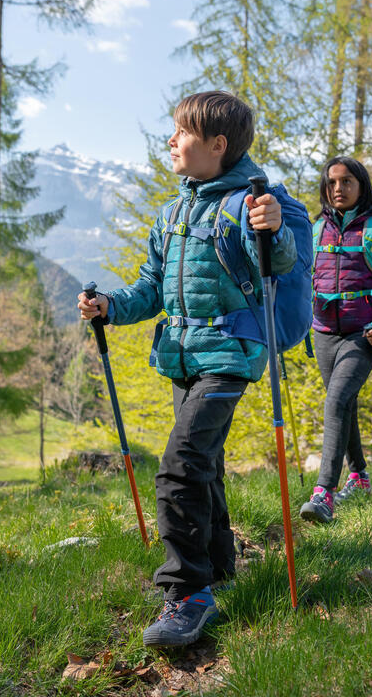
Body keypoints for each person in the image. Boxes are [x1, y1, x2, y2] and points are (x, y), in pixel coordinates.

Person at [77, 91, 297, 646]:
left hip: (229, 357)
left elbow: (281, 260)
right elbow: (151, 287)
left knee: (179, 465)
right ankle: (219, 565)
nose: (171, 140)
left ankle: (188, 593)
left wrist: (274, 226)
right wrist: (110, 307)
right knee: (205, 466)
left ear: (217, 145)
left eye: (181, 132)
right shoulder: (172, 213)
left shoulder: (246, 206)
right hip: (181, 357)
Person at [299, 156, 372, 524]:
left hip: (363, 334)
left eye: (347, 181)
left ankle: (324, 493)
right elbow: (302, 278)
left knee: (335, 403)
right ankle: (360, 476)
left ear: (361, 185)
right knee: (343, 406)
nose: (338, 189)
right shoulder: (316, 229)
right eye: (332, 182)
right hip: (323, 333)